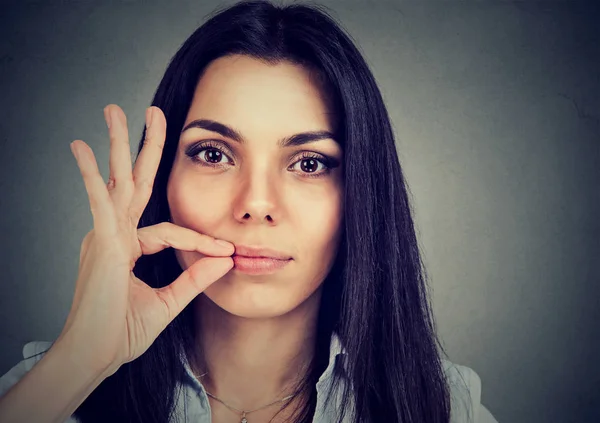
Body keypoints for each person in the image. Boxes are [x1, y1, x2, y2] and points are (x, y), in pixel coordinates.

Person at [0, 1, 499, 422]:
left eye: (309, 163)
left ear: (361, 194)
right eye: (214, 154)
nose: (256, 205)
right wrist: (78, 365)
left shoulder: (445, 406)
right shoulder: (49, 390)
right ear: (162, 181)